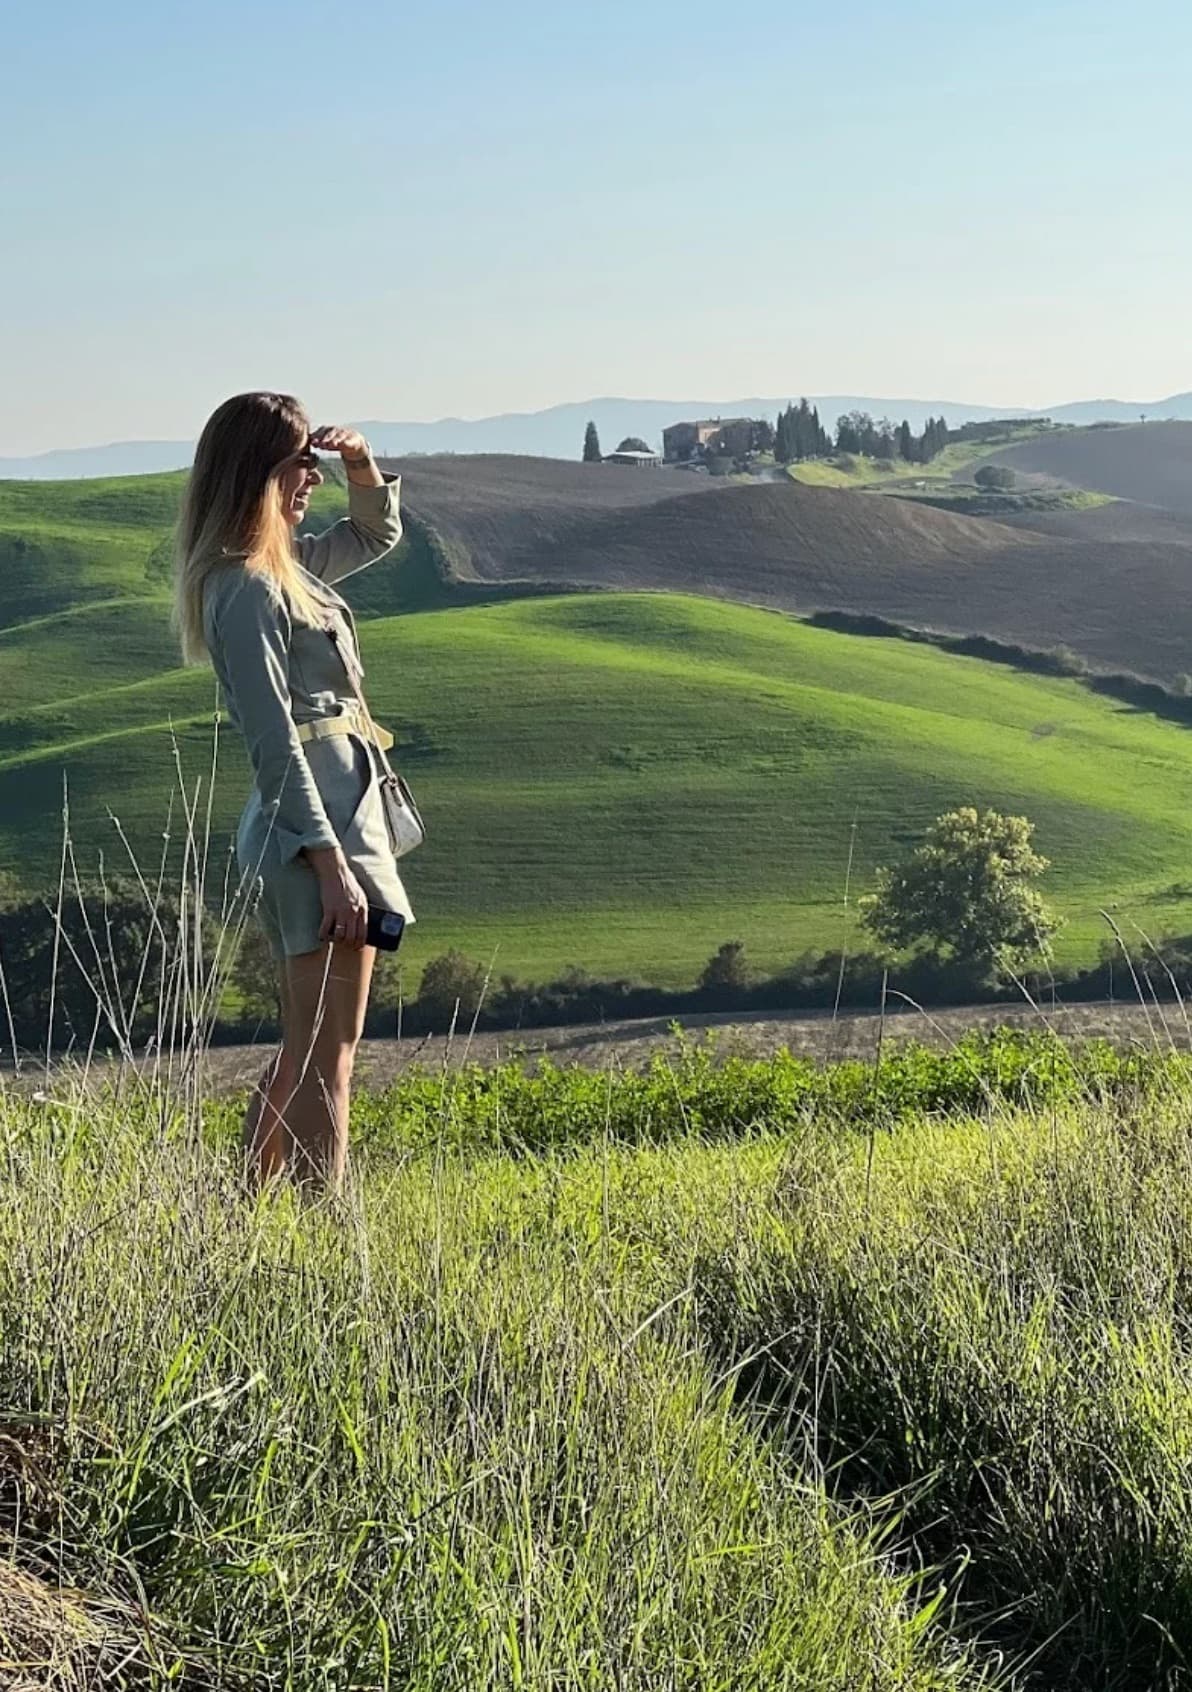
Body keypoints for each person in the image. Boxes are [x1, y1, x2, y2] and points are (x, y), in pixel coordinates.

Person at [174, 391, 413, 1189]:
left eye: (314, 461)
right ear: (258, 474)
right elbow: (272, 742)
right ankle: (325, 1235)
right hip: (314, 830)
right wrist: (330, 863)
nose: (311, 477)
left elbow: (376, 532)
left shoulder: (285, 567)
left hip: (341, 818)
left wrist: (361, 465)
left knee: (311, 1049)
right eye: (298, 464)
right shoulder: (246, 586)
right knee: (327, 1059)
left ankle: (243, 1215)